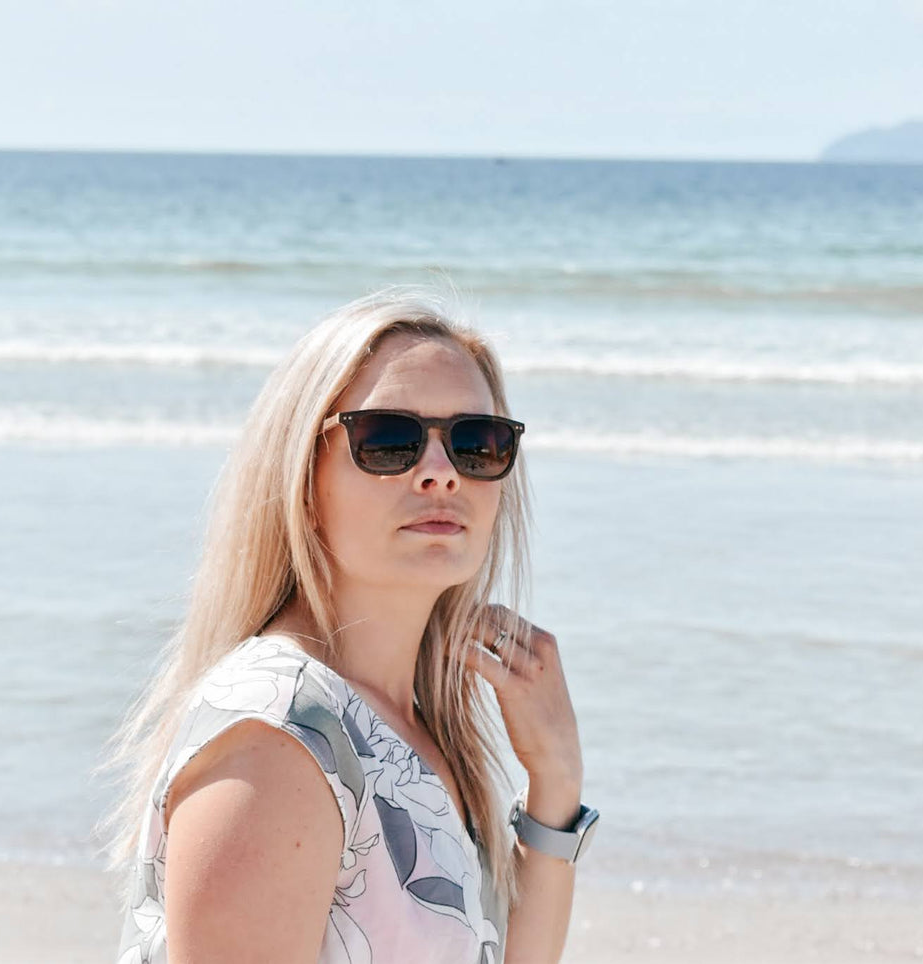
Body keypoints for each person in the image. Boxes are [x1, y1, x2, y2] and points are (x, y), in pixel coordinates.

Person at [97, 285, 598, 963]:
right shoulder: (278, 736)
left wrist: (555, 782)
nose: (440, 473)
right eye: (388, 441)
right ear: (303, 478)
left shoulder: (407, 729)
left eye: (475, 443)